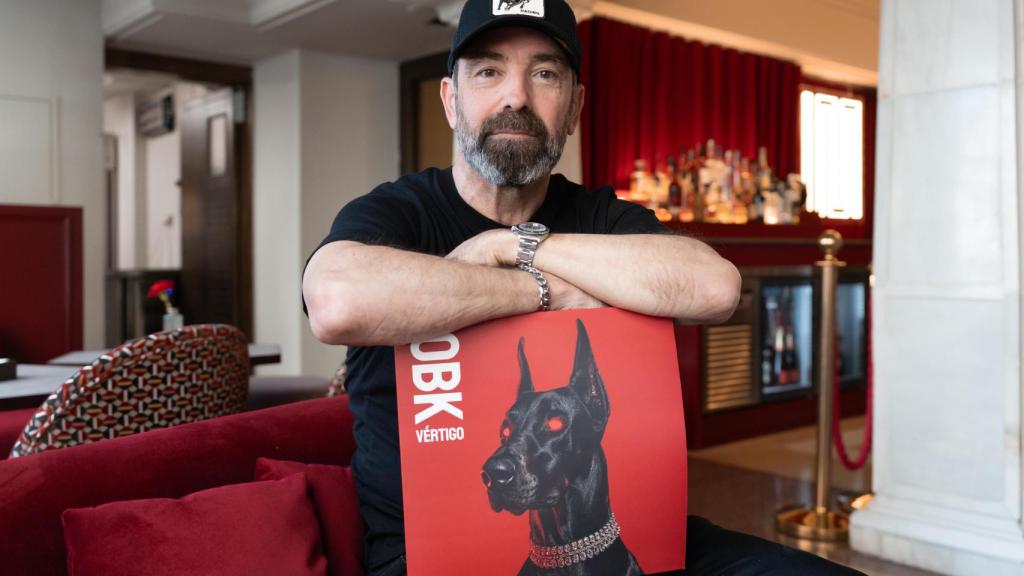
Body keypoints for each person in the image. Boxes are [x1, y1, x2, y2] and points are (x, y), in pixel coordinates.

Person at [303, 1, 863, 574]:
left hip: (631, 541)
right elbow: (337, 300)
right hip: (429, 556)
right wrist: (547, 292)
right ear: (452, 100)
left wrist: (509, 248)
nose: (516, 96)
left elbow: (714, 286)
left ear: (574, 106)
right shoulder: (400, 213)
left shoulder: (597, 214)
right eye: (488, 72)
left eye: (545, 73)